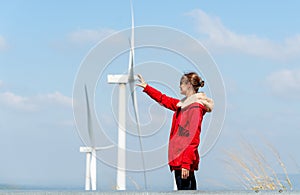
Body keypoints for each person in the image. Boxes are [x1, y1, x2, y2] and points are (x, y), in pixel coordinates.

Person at [136, 72, 214, 190]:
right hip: (179, 161)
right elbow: (164, 99)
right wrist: (147, 88)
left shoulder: (195, 108)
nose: (179, 86)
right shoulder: (183, 105)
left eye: (181, 83)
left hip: (183, 162)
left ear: (189, 85)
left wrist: (186, 164)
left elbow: (193, 138)